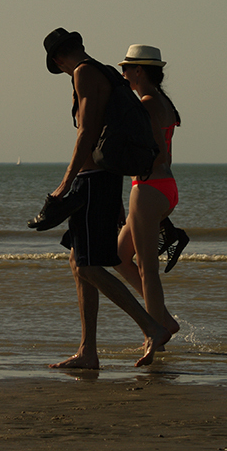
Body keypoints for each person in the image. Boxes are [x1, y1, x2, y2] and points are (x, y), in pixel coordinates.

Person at [40, 28, 171, 369]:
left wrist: (65, 183)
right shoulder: (107, 74)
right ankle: (88, 351)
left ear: (58, 60)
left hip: (92, 179)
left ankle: (151, 326)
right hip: (103, 179)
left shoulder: (83, 73)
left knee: (88, 265)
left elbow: (87, 131)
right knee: (77, 262)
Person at [114, 45, 183, 335]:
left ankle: (155, 334)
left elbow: (151, 152)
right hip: (164, 186)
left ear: (139, 70)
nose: (123, 73)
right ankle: (163, 320)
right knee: (118, 256)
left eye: (126, 68)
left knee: (147, 269)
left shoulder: (146, 104)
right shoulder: (163, 102)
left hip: (148, 186)